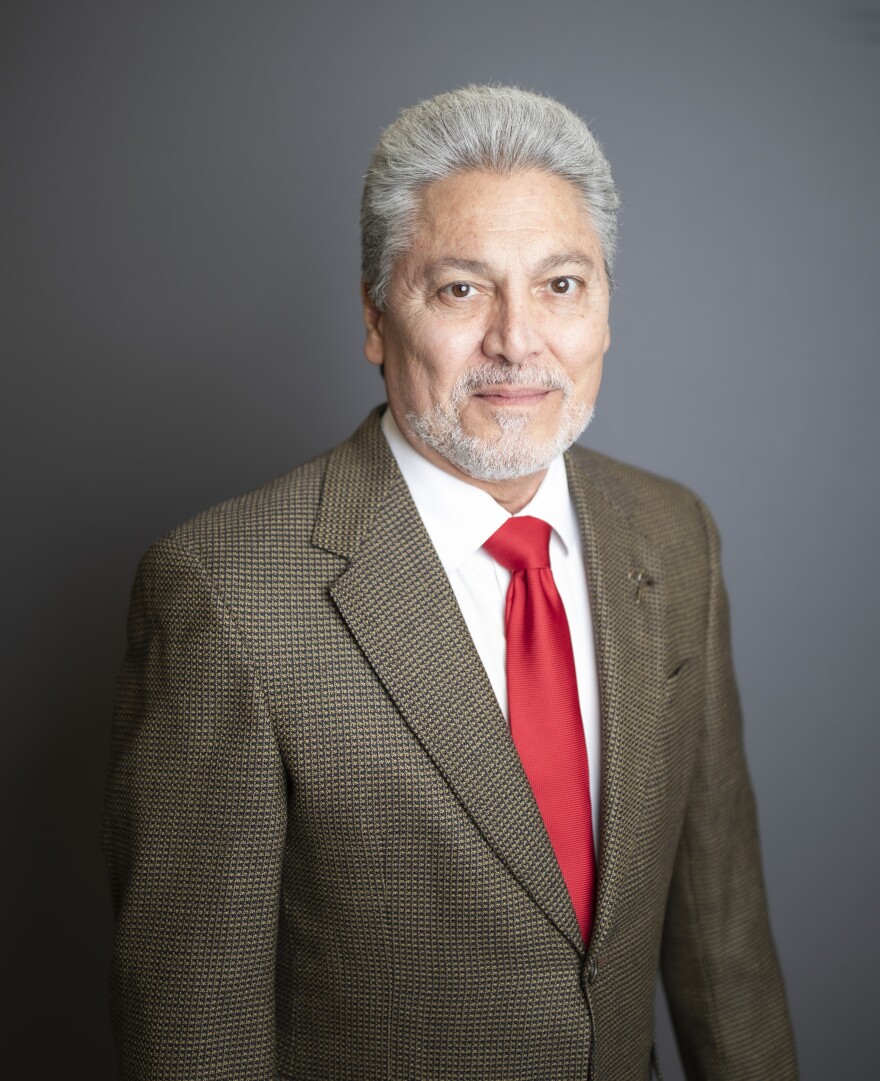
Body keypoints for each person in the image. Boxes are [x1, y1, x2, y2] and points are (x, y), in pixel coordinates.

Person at [103, 86, 797, 1080]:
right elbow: (193, 1030)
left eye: (561, 285)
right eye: (461, 289)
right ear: (378, 319)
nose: (518, 341)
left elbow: (725, 948)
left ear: (606, 305)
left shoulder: (674, 536)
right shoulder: (224, 592)